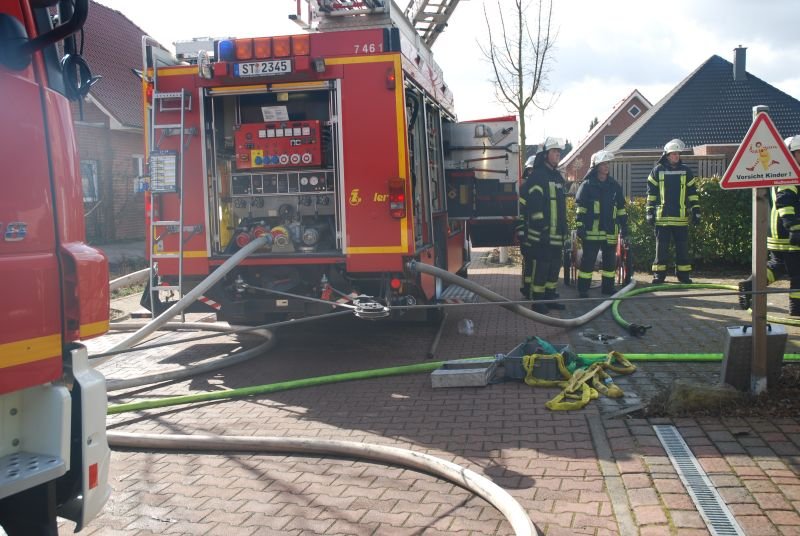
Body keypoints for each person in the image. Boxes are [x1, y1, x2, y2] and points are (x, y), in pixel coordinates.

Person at [739, 135, 800, 315]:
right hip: (788, 233)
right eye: (799, 153)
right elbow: (785, 201)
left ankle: (750, 285)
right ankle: (797, 310)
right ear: (789, 154)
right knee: (798, 274)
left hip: (778, 232)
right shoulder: (789, 173)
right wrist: (794, 227)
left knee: (778, 266)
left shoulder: (784, 171)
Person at [516, 137, 568, 313]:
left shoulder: (557, 177)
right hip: (542, 235)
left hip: (557, 234)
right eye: (554, 152)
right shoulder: (537, 176)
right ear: (545, 155)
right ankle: (538, 302)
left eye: (559, 152)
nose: (558, 155)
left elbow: (560, 208)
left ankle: (549, 297)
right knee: (542, 267)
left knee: (554, 267)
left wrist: (564, 229)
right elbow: (535, 207)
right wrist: (542, 227)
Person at [646, 138, 700, 284]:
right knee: (661, 249)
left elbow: (692, 193)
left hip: (680, 218)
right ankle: (659, 275)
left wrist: (696, 210)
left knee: (682, 248)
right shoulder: (657, 171)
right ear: (667, 155)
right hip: (662, 218)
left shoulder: (686, 171)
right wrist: (649, 211)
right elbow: (651, 194)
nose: (676, 156)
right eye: (673, 154)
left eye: (678, 154)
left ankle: (683, 275)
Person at [575, 150, 628, 298]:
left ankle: (608, 288)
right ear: (596, 166)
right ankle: (583, 289)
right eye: (603, 164)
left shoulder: (614, 186)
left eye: (607, 164)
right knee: (588, 261)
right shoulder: (587, 185)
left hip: (610, 231)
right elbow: (580, 208)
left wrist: (624, 226)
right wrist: (580, 225)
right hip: (591, 232)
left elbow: (621, 209)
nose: (606, 166)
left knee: (610, 262)